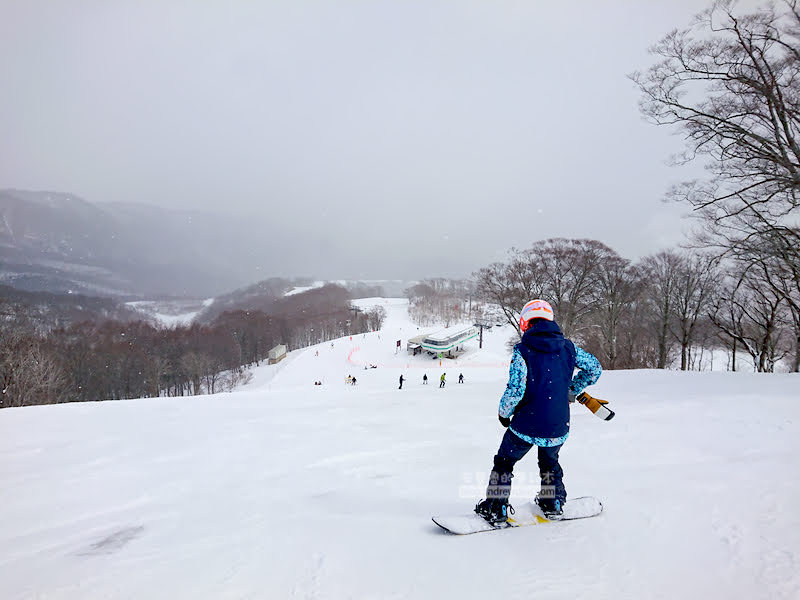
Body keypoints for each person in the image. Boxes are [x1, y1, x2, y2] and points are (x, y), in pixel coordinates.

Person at [474, 299, 602, 523]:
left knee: (504, 462)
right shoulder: (569, 347)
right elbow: (594, 368)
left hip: (526, 424)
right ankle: (552, 502)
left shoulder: (522, 351)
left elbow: (515, 389)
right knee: (549, 462)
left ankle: (497, 507)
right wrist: (572, 389)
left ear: (525, 322)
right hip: (558, 425)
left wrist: (503, 413)